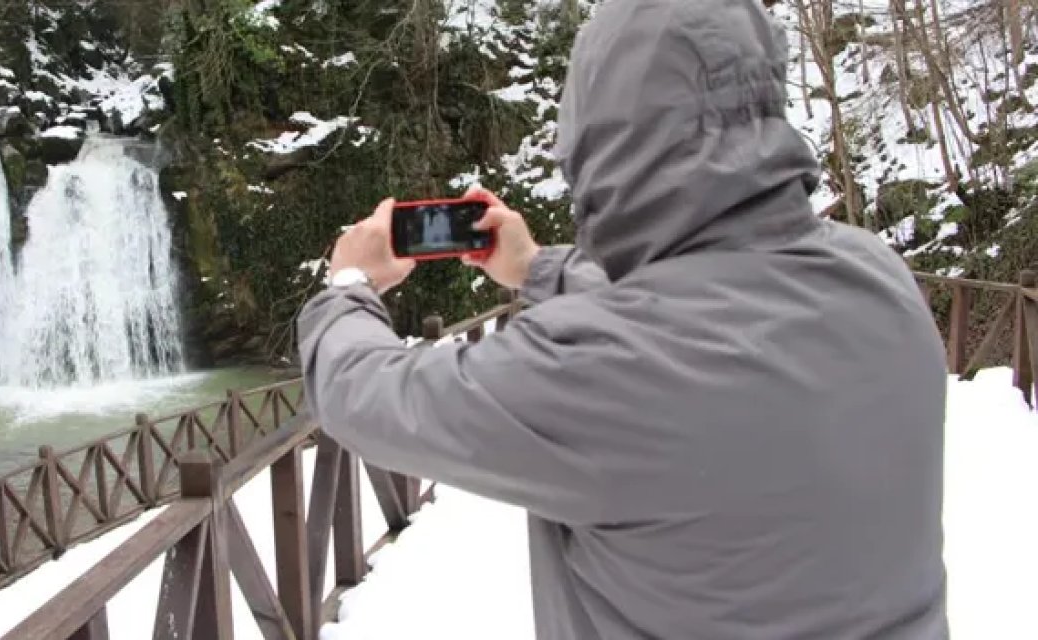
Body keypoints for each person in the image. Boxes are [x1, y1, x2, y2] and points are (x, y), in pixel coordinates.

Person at [296, 0, 949, 638]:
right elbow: (708, 294)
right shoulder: (877, 274)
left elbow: (367, 397)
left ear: (600, 132)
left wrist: (350, 284)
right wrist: (536, 268)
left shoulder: (599, 364)